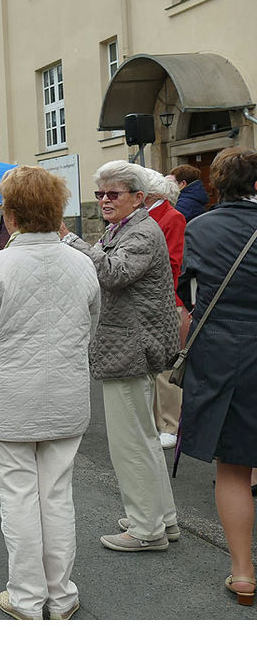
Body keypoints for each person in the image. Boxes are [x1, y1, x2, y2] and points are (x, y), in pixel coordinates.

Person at [0, 166, 100, 621]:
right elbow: (88, 329)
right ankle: (62, 593)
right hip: (66, 394)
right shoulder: (82, 263)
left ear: (8, 215)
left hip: (10, 396)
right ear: (58, 212)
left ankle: (27, 596)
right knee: (57, 493)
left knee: (19, 496)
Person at [60, 160, 180, 552]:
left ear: (138, 197)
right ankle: (162, 519)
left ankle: (147, 530)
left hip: (130, 347)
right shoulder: (126, 227)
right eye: (100, 194)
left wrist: (69, 239)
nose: (104, 201)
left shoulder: (142, 231)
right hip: (128, 345)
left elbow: (112, 272)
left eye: (113, 194)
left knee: (130, 443)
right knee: (142, 437)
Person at [175, 147, 257, 606]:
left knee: (234, 469)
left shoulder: (199, 227)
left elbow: (190, 296)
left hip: (222, 354)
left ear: (215, 186)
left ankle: (243, 573)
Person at [145, 170, 187, 449]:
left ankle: (170, 424)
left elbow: (174, 262)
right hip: (150, 299)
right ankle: (155, 422)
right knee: (150, 366)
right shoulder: (148, 216)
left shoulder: (172, 217)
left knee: (165, 367)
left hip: (165, 299)